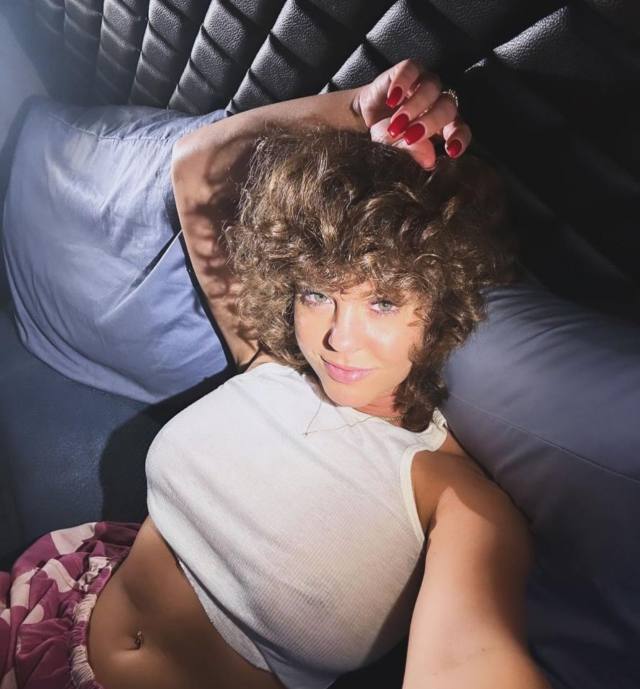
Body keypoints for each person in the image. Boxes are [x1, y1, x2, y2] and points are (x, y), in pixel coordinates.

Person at [0, 60, 550, 689]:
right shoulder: (269, 361)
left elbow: (470, 659)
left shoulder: (455, 498)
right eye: (318, 294)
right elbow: (197, 165)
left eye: (382, 302)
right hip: (52, 614)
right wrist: (358, 110)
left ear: (443, 305)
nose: (338, 338)